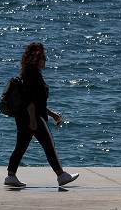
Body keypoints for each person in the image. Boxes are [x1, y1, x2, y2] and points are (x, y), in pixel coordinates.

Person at [5, 42, 79, 188]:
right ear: (37, 59)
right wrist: (33, 119)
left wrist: (51, 113)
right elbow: (31, 101)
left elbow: (37, 102)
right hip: (34, 118)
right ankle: (61, 175)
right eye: (43, 58)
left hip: (22, 117)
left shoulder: (26, 73)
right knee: (49, 145)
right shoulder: (34, 76)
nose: (45, 61)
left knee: (21, 146)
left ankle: (10, 176)